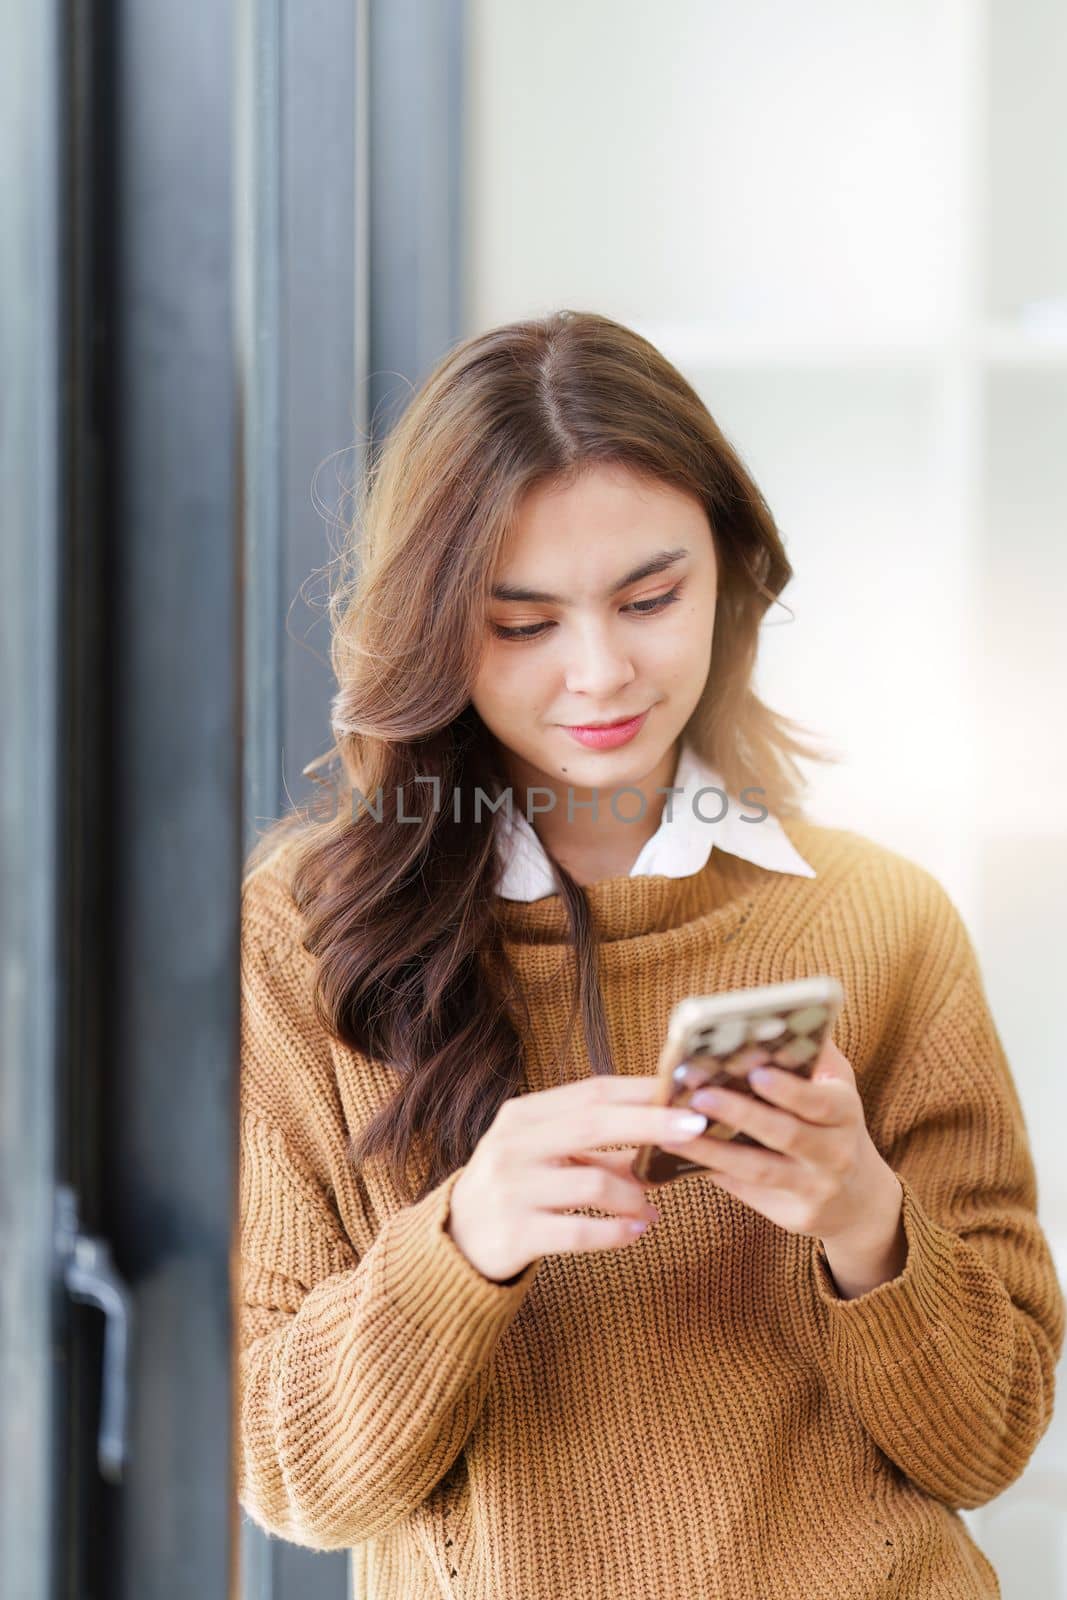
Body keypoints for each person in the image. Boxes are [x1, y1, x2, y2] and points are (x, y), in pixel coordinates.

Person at [236, 309, 1064, 1600]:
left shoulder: (884, 919)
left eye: (650, 597)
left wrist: (864, 1221)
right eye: (523, 624)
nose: (602, 672)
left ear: (733, 571)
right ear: (438, 626)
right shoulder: (306, 936)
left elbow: (988, 1441)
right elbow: (295, 1478)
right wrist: (464, 1241)